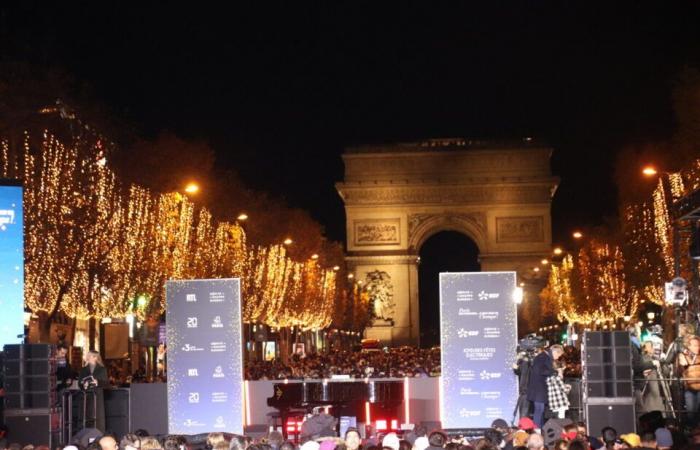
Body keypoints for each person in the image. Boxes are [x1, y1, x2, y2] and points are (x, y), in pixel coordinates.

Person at [527, 344, 564, 428]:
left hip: (539, 389)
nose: (558, 357)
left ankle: (540, 429)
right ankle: (537, 430)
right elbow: (540, 370)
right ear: (554, 352)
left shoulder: (544, 356)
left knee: (541, 410)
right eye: (558, 355)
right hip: (538, 389)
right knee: (539, 410)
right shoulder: (543, 357)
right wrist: (555, 372)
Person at [78, 350, 109, 432]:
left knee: (97, 417)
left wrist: (97, 382)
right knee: (86, 416)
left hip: (97, 395)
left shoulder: (102, 369)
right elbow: (80, 382)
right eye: (88, 356)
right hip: (86, 396)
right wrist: (83, 385)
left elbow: (106, 383)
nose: (88, 357)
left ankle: (98, 434)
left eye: (91, 356)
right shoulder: (83, 369)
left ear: (96, 357)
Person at [678, 336, 700, 427]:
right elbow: (681, 366)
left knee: (698, 411)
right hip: (689, 388)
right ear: (689, 346)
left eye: (698, 345)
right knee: (690, 412)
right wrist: (682, 356)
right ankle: (692, 431)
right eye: (694, 345)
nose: (697, 347)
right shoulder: (684, 356)